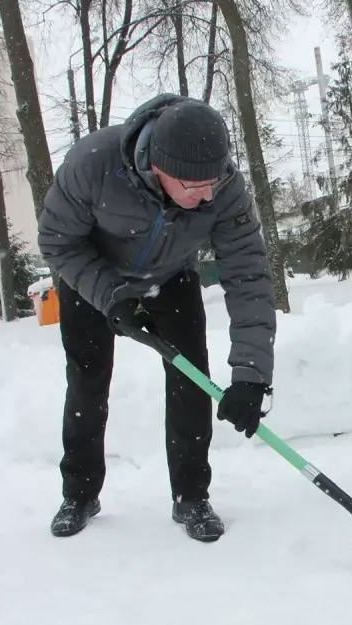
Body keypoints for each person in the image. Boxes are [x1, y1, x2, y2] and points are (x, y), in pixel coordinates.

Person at [38, 95, 276, 542]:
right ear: (158, 168)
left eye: (213, 182)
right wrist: (110, 297)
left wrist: (251, 375)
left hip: (170, 277)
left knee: (191, 381)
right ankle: (79, 493)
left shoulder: (223, 186)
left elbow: (248, 274)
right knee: (87, 382)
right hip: (91, 277)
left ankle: (191, 495)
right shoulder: (92, 163)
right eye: (194, 186)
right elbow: (57, 242)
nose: (207, 195)